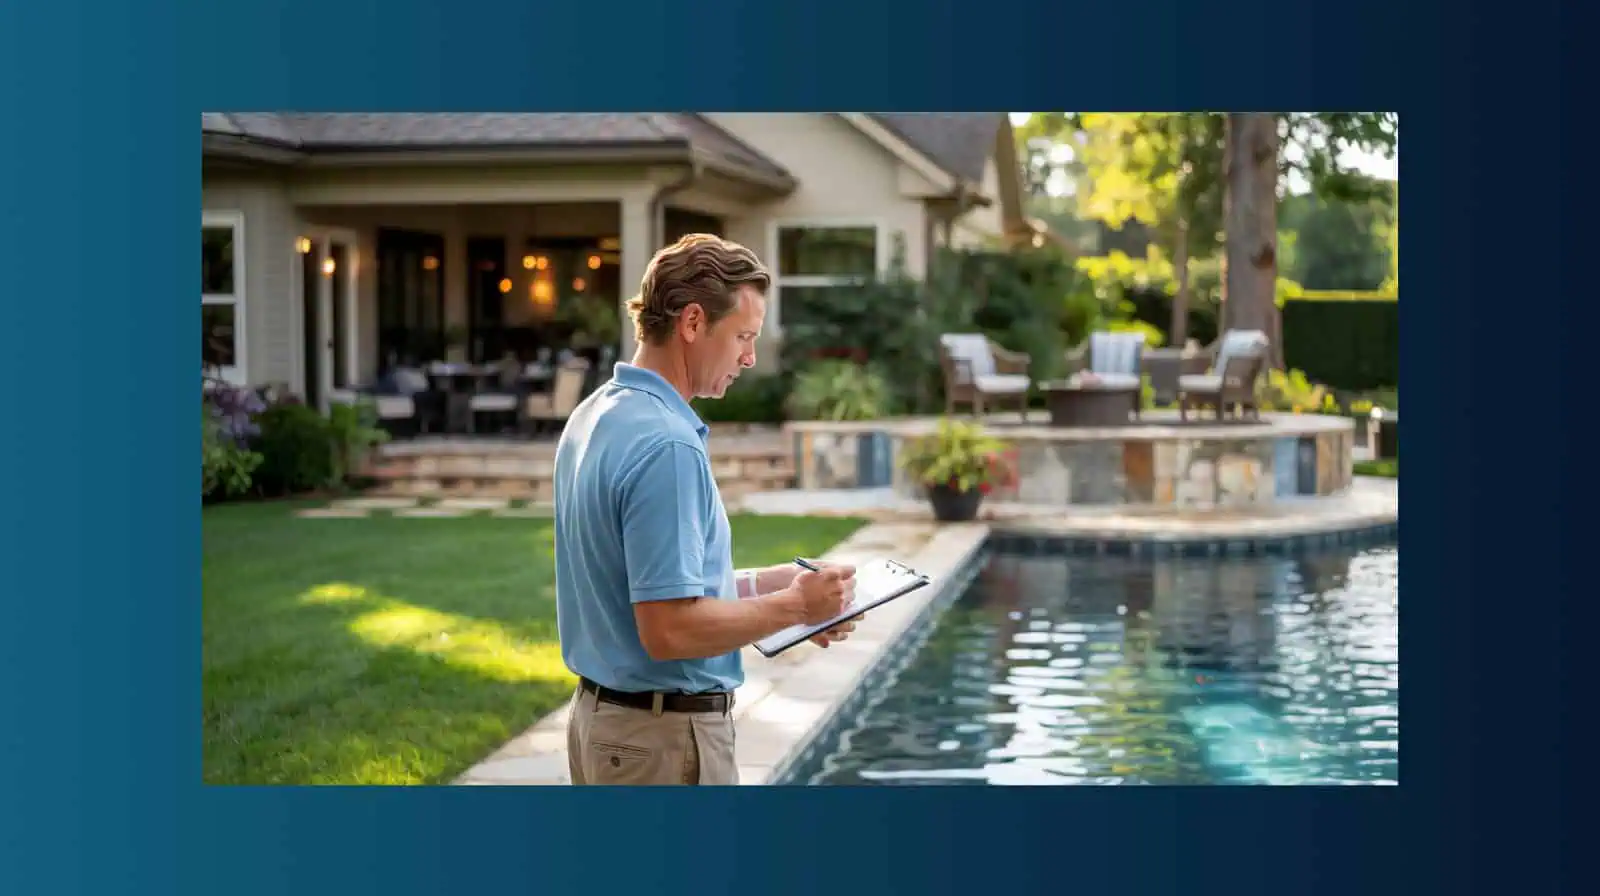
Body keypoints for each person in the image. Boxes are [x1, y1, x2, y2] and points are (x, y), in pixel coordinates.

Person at [554, 233, 857, 786]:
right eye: (743, 336)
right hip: (662, 744)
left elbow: (653, 588)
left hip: (607, 727)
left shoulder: (597, 412)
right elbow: (670, 629)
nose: (750, 356)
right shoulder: (667, 444)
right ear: (692, 323)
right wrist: (795, 607)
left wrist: (773, 584)